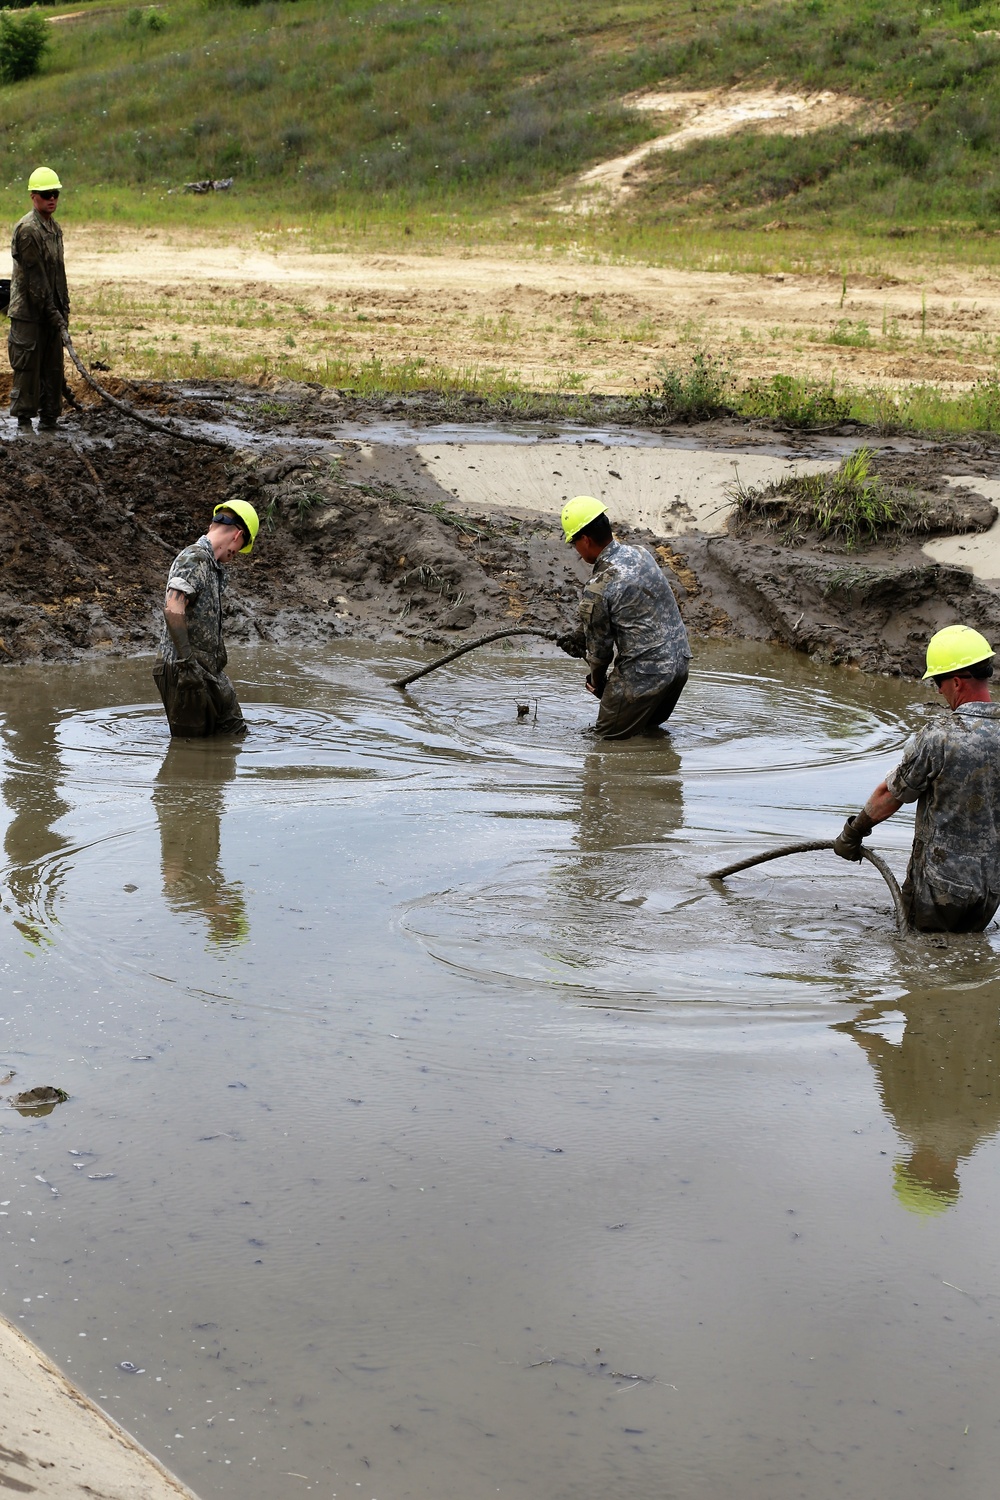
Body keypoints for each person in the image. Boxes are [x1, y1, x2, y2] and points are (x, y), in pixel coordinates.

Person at [833, 623, 1000, 933]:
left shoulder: (939, 738)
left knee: (919, 959)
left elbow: (890, 794)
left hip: (939, 889)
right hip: (990, 888)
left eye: (938, 681)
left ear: (956, 682)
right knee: (963, 959)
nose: (937, 690)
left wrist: (853, 833)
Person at [555, 496, 690, 739]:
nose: (576, 549)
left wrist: (597, 683)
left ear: (585, 540)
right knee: (647, 735)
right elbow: (625, 608)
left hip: (644, 677)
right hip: (679, 666)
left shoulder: (599, 585)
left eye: (574, 543)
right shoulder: (641, 554)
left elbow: (600, 653)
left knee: (604, 742)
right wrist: (579, 636)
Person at [153, 500, 259, 739]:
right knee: (190, 749)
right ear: (238, 535)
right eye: (241, 548)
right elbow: (173, 608)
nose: (235, 555)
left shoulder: (212, 567)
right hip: (184, 672)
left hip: (208, 672)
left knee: (235, 734)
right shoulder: (193, 558)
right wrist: (187, 663)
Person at [8, 167, 69, 435]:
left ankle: (50, 419)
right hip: (29, 313)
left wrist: (63, 310)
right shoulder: (28, 230)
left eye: (55, 193)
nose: (51, 199)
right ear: (34, 197)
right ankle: (23, 423)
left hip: (51, 309)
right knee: (27, 367)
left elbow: (59, 274)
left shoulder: (54, 229)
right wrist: (52, 312)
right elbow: (36, 280)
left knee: (53, 367)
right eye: (46, 195)